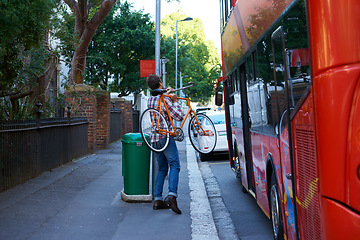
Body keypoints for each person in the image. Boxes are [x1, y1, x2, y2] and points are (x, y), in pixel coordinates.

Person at [146, 74, 183, 214]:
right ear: (160, 83)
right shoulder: (165, 100)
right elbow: (178, 116)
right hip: (165, 137)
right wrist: (173, 100)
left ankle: (158, 199)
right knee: (175, 165)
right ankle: (172, 195)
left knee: (162, 169)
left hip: (155, 139)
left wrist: (166, 94)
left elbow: (158, 100)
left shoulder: (150, 99)